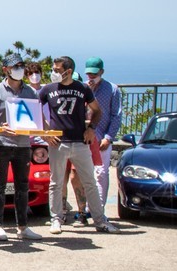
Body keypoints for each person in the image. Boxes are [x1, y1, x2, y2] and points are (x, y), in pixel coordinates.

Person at [40, 57, 119, 235]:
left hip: (80, 143)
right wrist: (45, 132)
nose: (54, 72)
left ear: (68, 71)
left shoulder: (82, 88)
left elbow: (97, 110)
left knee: (89, 182)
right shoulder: (48, 89)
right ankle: (56, 219)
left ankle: (100, 220)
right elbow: (32, 109)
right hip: (58, 143)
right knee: (56, 183)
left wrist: (91, 128)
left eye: (57, 69)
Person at [0, 55, 44, 242]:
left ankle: (22, 227)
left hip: (23, 145)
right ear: (5, 69)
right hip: (0, 144)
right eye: (15, 66)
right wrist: (0, 128)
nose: (19, 69)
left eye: (21, 66)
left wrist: (46, 130)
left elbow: (36, 115)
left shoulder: (30, 93)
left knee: (22, 186)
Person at [84, 57, 122, 208]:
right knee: (84, 174)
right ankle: (85, 207)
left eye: (94, 73)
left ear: (102, 72)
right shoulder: (82, 88)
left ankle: (98, 208)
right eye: (89, 74)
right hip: (84, 137)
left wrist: (108, 137)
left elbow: (116, 115)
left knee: (101, 173)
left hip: (101, 138)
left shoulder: (112, 89)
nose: (91, 77)